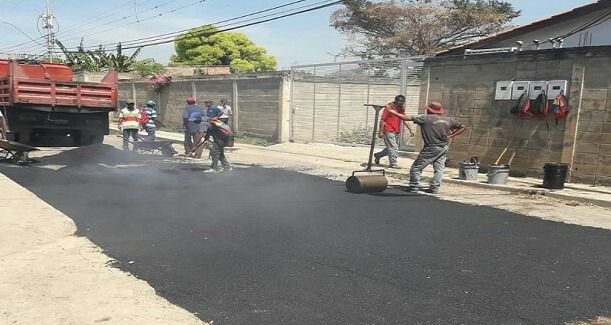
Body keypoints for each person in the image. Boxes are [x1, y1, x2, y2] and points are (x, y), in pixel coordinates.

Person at [387, 101, 466, 193]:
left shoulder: (425, 118)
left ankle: (414, 187)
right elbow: (463, 127)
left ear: (429, 110)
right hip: (443, 147)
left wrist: (393, 112)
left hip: (431, 147)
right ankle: (434, 188)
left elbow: (406, 118)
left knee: (416, 168)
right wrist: (451, 136)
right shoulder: (449, 120)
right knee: (439, 168)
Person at [373, 95, 415, 168]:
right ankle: (393, 163)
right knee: (393, 147)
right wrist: (380, 132)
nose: (401, 103)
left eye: (403, 102)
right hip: (388, 129)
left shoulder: (400, 109)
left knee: (391, 147)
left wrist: (410, 129)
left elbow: (404, 119)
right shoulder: (388, 108)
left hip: (396, 130)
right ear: (395, 100)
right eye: (400, 101)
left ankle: (378, 155)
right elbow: (382, 120)